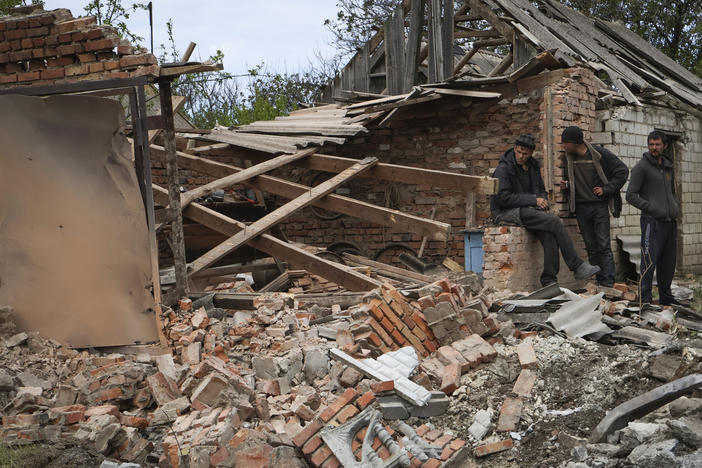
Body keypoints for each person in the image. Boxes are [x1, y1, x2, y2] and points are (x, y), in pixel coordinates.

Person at [491, 133, 600, 286]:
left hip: (527, 209)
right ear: (515, 148)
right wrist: (533, 200)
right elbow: (502, 198)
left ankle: (549, 280)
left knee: (549, 233)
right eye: (519, 151)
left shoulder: (533, 166)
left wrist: (542, 201)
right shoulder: (504, 168)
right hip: (506, 212)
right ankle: (576, 265)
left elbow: (540, 190)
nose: (521, 156)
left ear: (531, 154)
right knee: (554, 221)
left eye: (525, 154)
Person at [559, 126, 629, 287]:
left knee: (603, 245)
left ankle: (609, 282)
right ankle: (598, 281)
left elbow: (622, 171)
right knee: (591, 246)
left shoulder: (599, 154)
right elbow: (574, 180)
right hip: (581, 208)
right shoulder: (568, 158)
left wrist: (606, 189)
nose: (564, 146)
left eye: (566, 143)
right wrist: (567, 185)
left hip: (599, 207)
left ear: (576, 142)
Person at [626, 130, 679, 306]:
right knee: (648, 261)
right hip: (652, 222)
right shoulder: (641, 167)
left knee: (668, 263)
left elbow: (671, 192)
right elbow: (631, 195)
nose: (654, 148)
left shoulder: (668, 166)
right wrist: (651, 208)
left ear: (664, 146)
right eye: (651, 144)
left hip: (669, 222)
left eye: (657, 144)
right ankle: (645, 299)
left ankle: (666, 298)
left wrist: (674, 207)